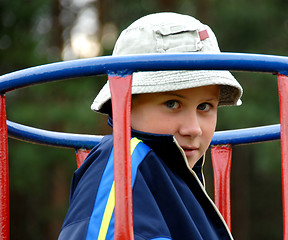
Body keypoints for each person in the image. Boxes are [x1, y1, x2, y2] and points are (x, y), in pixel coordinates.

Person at [58, 12, 243, 240]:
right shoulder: (122, 161)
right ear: (125, 103)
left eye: (204, 106)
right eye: (172, 103)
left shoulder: (176, 177)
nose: (193, 128)